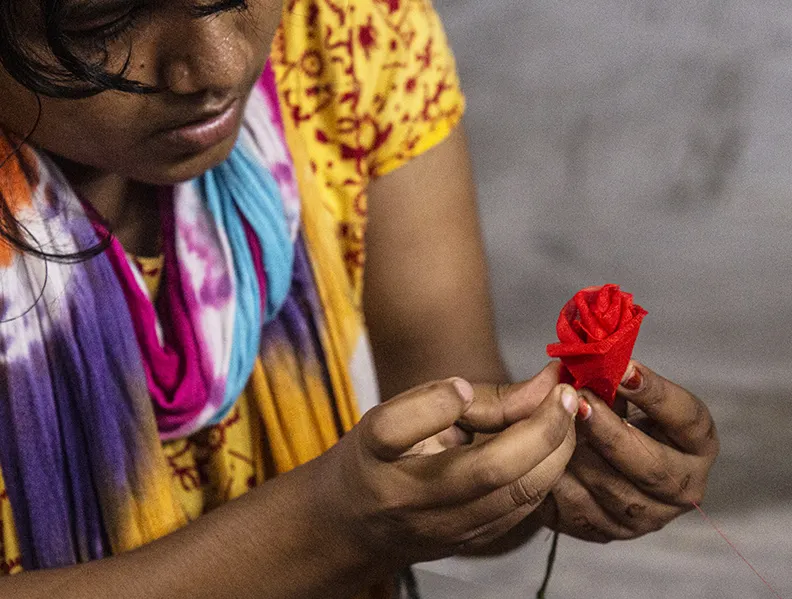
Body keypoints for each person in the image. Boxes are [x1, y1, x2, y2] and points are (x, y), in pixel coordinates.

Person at [0, 1, 720, 597]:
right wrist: (322, 527)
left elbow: (450, 434)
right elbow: (354, 519)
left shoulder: (346, 35)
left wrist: (545, 467)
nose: (217, 67)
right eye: (97, 22)